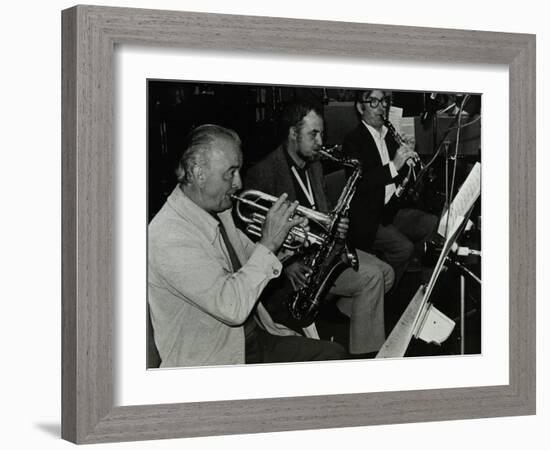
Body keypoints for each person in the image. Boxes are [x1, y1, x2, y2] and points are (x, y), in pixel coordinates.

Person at [148, 124, 347, 368]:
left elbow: (252, 259)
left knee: (333, 355)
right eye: (229, 173)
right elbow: (232, 306)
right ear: (198, 174)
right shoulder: (169, 235)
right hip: (214, 359)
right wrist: (269, 242)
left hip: (251, 338)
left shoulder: (217, 211)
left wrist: (287, 242)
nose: (238, 183)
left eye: (239, 171)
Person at [244, 102, 394, 356]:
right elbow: (249, 235)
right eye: (313, 134)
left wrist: (335, 222)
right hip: (298, 264)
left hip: (323, 251)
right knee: (372, 279)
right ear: (293, 134)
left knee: (387, 272)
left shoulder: (314, 164)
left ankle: (340, 314)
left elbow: (320, 210)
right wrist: (287, 263)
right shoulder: (265, 173)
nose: (320, 141)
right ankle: (366, 357)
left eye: (322, 134)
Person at [342, 89, 439, 286]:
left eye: (384, 101)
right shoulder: (352, 141)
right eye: (374, 102)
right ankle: (382, 289)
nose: (382, 106)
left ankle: (424, 288)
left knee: (432, 223)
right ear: (360, 108)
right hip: (369, 218)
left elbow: (400, 178)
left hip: (391, 210)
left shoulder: (388, 135)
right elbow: (361, 183)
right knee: (404, 248)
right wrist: (394, 165)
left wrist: (409, 157)